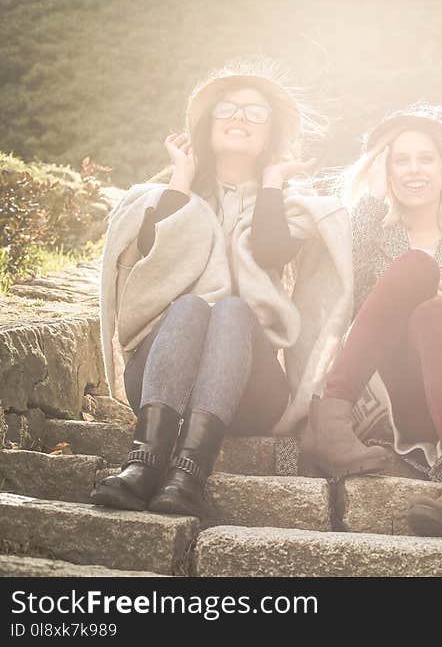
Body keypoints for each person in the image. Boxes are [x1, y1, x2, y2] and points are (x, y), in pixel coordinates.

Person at [91, 61, 353, 518]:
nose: (239, 118)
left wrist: (271, 181)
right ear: (206, 123)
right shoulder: (162, 193)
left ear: (270, 133)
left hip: (248, 389)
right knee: (192, 304)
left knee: (231, 310)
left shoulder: (286, 205)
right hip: (162, 379)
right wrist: (182, 180)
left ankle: (190, 471)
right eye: (228, 109)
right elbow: (154, 259)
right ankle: (145, 462)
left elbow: (272, 252)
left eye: (255, 114)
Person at [302, 105, 442, 541]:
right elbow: (352, 303)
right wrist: (372, 201)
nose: (414, 169)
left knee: (435, 312)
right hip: (385, 394)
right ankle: (333, 418)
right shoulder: (370, 232)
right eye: (401, 160)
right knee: (415, 267)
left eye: (425, 158)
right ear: (387, 171)